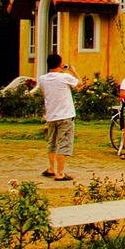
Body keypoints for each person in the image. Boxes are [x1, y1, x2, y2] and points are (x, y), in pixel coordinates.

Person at [39, 53, 81, 181]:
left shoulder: (42, 79)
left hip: (51, 115)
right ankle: (60, 172)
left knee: (52, 142)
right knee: (63, 143)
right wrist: (73, 71)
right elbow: (80, 83)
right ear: (60, 64)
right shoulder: (65, 77)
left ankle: (51, 168)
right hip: (65, 115)